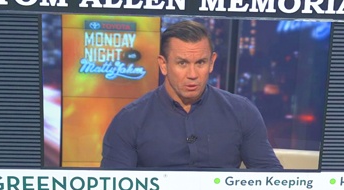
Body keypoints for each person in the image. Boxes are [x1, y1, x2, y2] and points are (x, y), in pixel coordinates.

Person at [100, 20, 284, 170]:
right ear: (163, 64)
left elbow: (271, 180)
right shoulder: (130, 120)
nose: (193, 74)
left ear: (212, 63)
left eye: (201, 62)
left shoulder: (242, 112)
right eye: (182, 63)